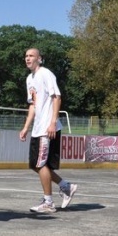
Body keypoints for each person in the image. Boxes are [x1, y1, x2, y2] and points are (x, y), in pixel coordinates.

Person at [19, 48, 77, 213]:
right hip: (37, 129)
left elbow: (57, 97)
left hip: (47, 127)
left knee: (41, 164)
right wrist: (25, 128)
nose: (27, 58)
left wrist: (52, 122)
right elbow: (32, 105)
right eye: (26, 56)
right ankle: (66, 187)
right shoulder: (29, 79)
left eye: (31, 56)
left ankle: (48, 202)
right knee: (35, 165)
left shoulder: (46, 74)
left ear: (39, 59)